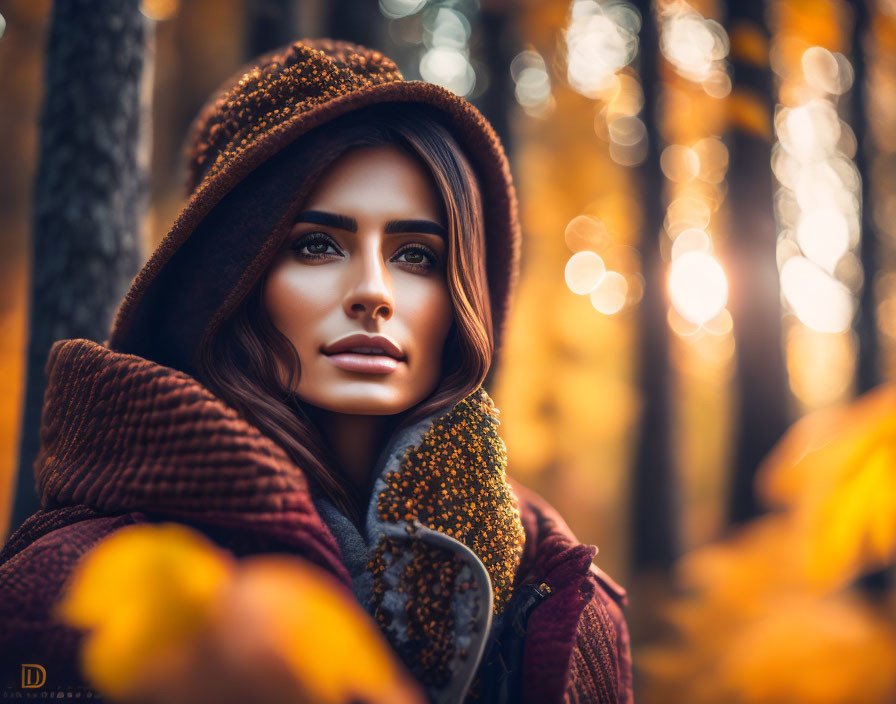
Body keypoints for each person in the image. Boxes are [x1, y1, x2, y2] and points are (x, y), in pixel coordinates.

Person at [0, 38, 632, 703]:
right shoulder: (68, 591)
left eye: (416, 255)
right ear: (228, 284)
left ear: (462, 297)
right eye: (316, 245)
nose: (374, 291)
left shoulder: (560, 586)